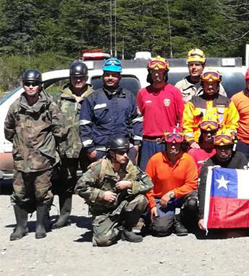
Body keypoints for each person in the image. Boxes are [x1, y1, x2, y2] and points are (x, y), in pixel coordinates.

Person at [5, 69, 63, 240]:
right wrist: (20, 146)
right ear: (23, 85)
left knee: (42, 192)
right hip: (21, 160)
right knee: (19, 193)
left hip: (43, 160)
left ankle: (40, 225)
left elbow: (59, 130)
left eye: (34, 84)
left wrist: (47, 148)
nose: (31, 87)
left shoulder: (49, 106)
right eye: (27, 84)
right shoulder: (16, 106)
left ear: (40, 86)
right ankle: (21, 227)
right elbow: (8, 130)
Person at [74, 137, 153, 246]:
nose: (125, 155)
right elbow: (79, 187)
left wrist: (130, 185)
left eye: (127, 151)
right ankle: (116, 228)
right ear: (111, 153)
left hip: (121, 205)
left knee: (141, 200)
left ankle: (127, 229)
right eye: (121, 152)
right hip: (104, 210)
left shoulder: (130, 166)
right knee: (103, 241)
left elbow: (149, 184)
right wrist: (102, 195)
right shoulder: (99, 167)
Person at [52, 61, 94, 229]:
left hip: (88, 148)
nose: (78, 81)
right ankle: (64, 215)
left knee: (91, 182)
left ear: (86, 78)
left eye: (81, 77)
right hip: (67, 147)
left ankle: (95, 215)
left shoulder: (94, 96)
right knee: (66, 183)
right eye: (75, 78)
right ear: (70, 78)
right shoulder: (59, 98)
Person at [79, 58, 142, 165]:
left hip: (124, 152)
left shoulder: (129, 97)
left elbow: (137, 121)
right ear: (103, 76)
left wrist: (135, 146)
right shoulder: (93, 98)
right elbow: (84, 125)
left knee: (126, 181)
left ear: (119, 77)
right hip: (100, 152)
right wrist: (90, 150)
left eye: (114, 75)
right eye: (107, 74)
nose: (110, 78)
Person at [145, 127, 199, 237]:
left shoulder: (188, 159)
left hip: (180, 197)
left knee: (193, 202)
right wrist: (152, 205)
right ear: (165, 144)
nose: (173, 146)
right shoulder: (155, 159)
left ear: (181, 144)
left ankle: (180, 220)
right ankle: (165, 220)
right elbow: (147, 185)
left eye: (177, 144)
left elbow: (192, 184)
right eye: (170, 144)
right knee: (160, 230)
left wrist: (172, 193)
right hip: (160, 199)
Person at [136, 56, 185, 170]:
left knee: (167, 175)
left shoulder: (174, 92)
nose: (157, 75)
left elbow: (182, 118)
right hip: (147, 143)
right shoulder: (142, 93)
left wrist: (177, 138)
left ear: (165, 73)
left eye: (160, 72)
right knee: (146, 176)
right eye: (153, 72)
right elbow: (137, 119)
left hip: (168, 142)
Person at [197, 129, 248, 232]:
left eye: (226, 148)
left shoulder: (240, 158)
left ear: (232, 147)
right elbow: (202, 191)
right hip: (218, 202)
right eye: (220, 148)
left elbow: (248, 183)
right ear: (215, 148)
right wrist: (202, 217)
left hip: (237, 198)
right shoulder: (209, 164)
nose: (223, 150)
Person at [182, 70, 239, 148]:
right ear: (202, 85)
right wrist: (191, 142)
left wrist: (224, 139)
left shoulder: (227, 103)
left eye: (213, 84)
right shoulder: (193, 102)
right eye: (207, 84)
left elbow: (232, 125)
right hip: (197, 145)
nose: (210, 86)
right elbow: (186, 125)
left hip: (220, 146)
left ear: (218, 85)